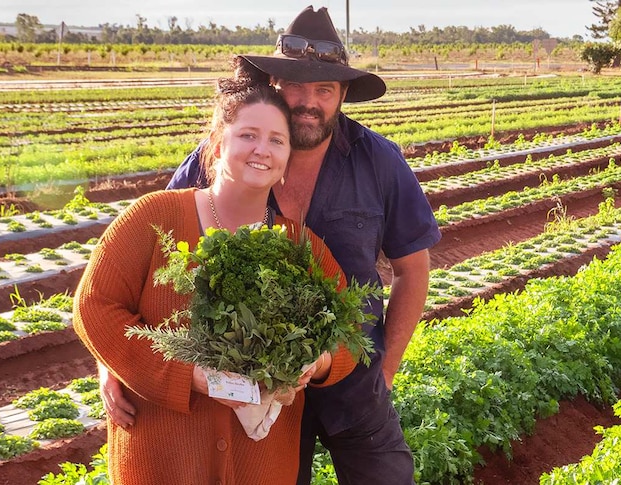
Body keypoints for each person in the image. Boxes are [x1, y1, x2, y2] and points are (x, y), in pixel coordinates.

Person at [100, 5, 441, 484]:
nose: (308, 101)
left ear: (342, 95)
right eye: (296, 86)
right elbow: (136, 263)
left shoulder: (378, 161)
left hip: (351, 374)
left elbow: (413, 269)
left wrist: (385, 369)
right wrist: (117, 361)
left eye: (324, 90)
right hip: (255, 383)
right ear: (274, 87)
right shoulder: (226, 154)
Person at [73, 56, 358, 484]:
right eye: (248, 135)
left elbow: (348, 330)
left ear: (287, 156)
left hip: (261, 467)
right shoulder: (154, 218)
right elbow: (95, 307)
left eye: (277, 140)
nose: (262, 149)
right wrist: (186, 375)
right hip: (161, 460)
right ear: (218, 142)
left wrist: (316, 362)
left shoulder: (300, 246)